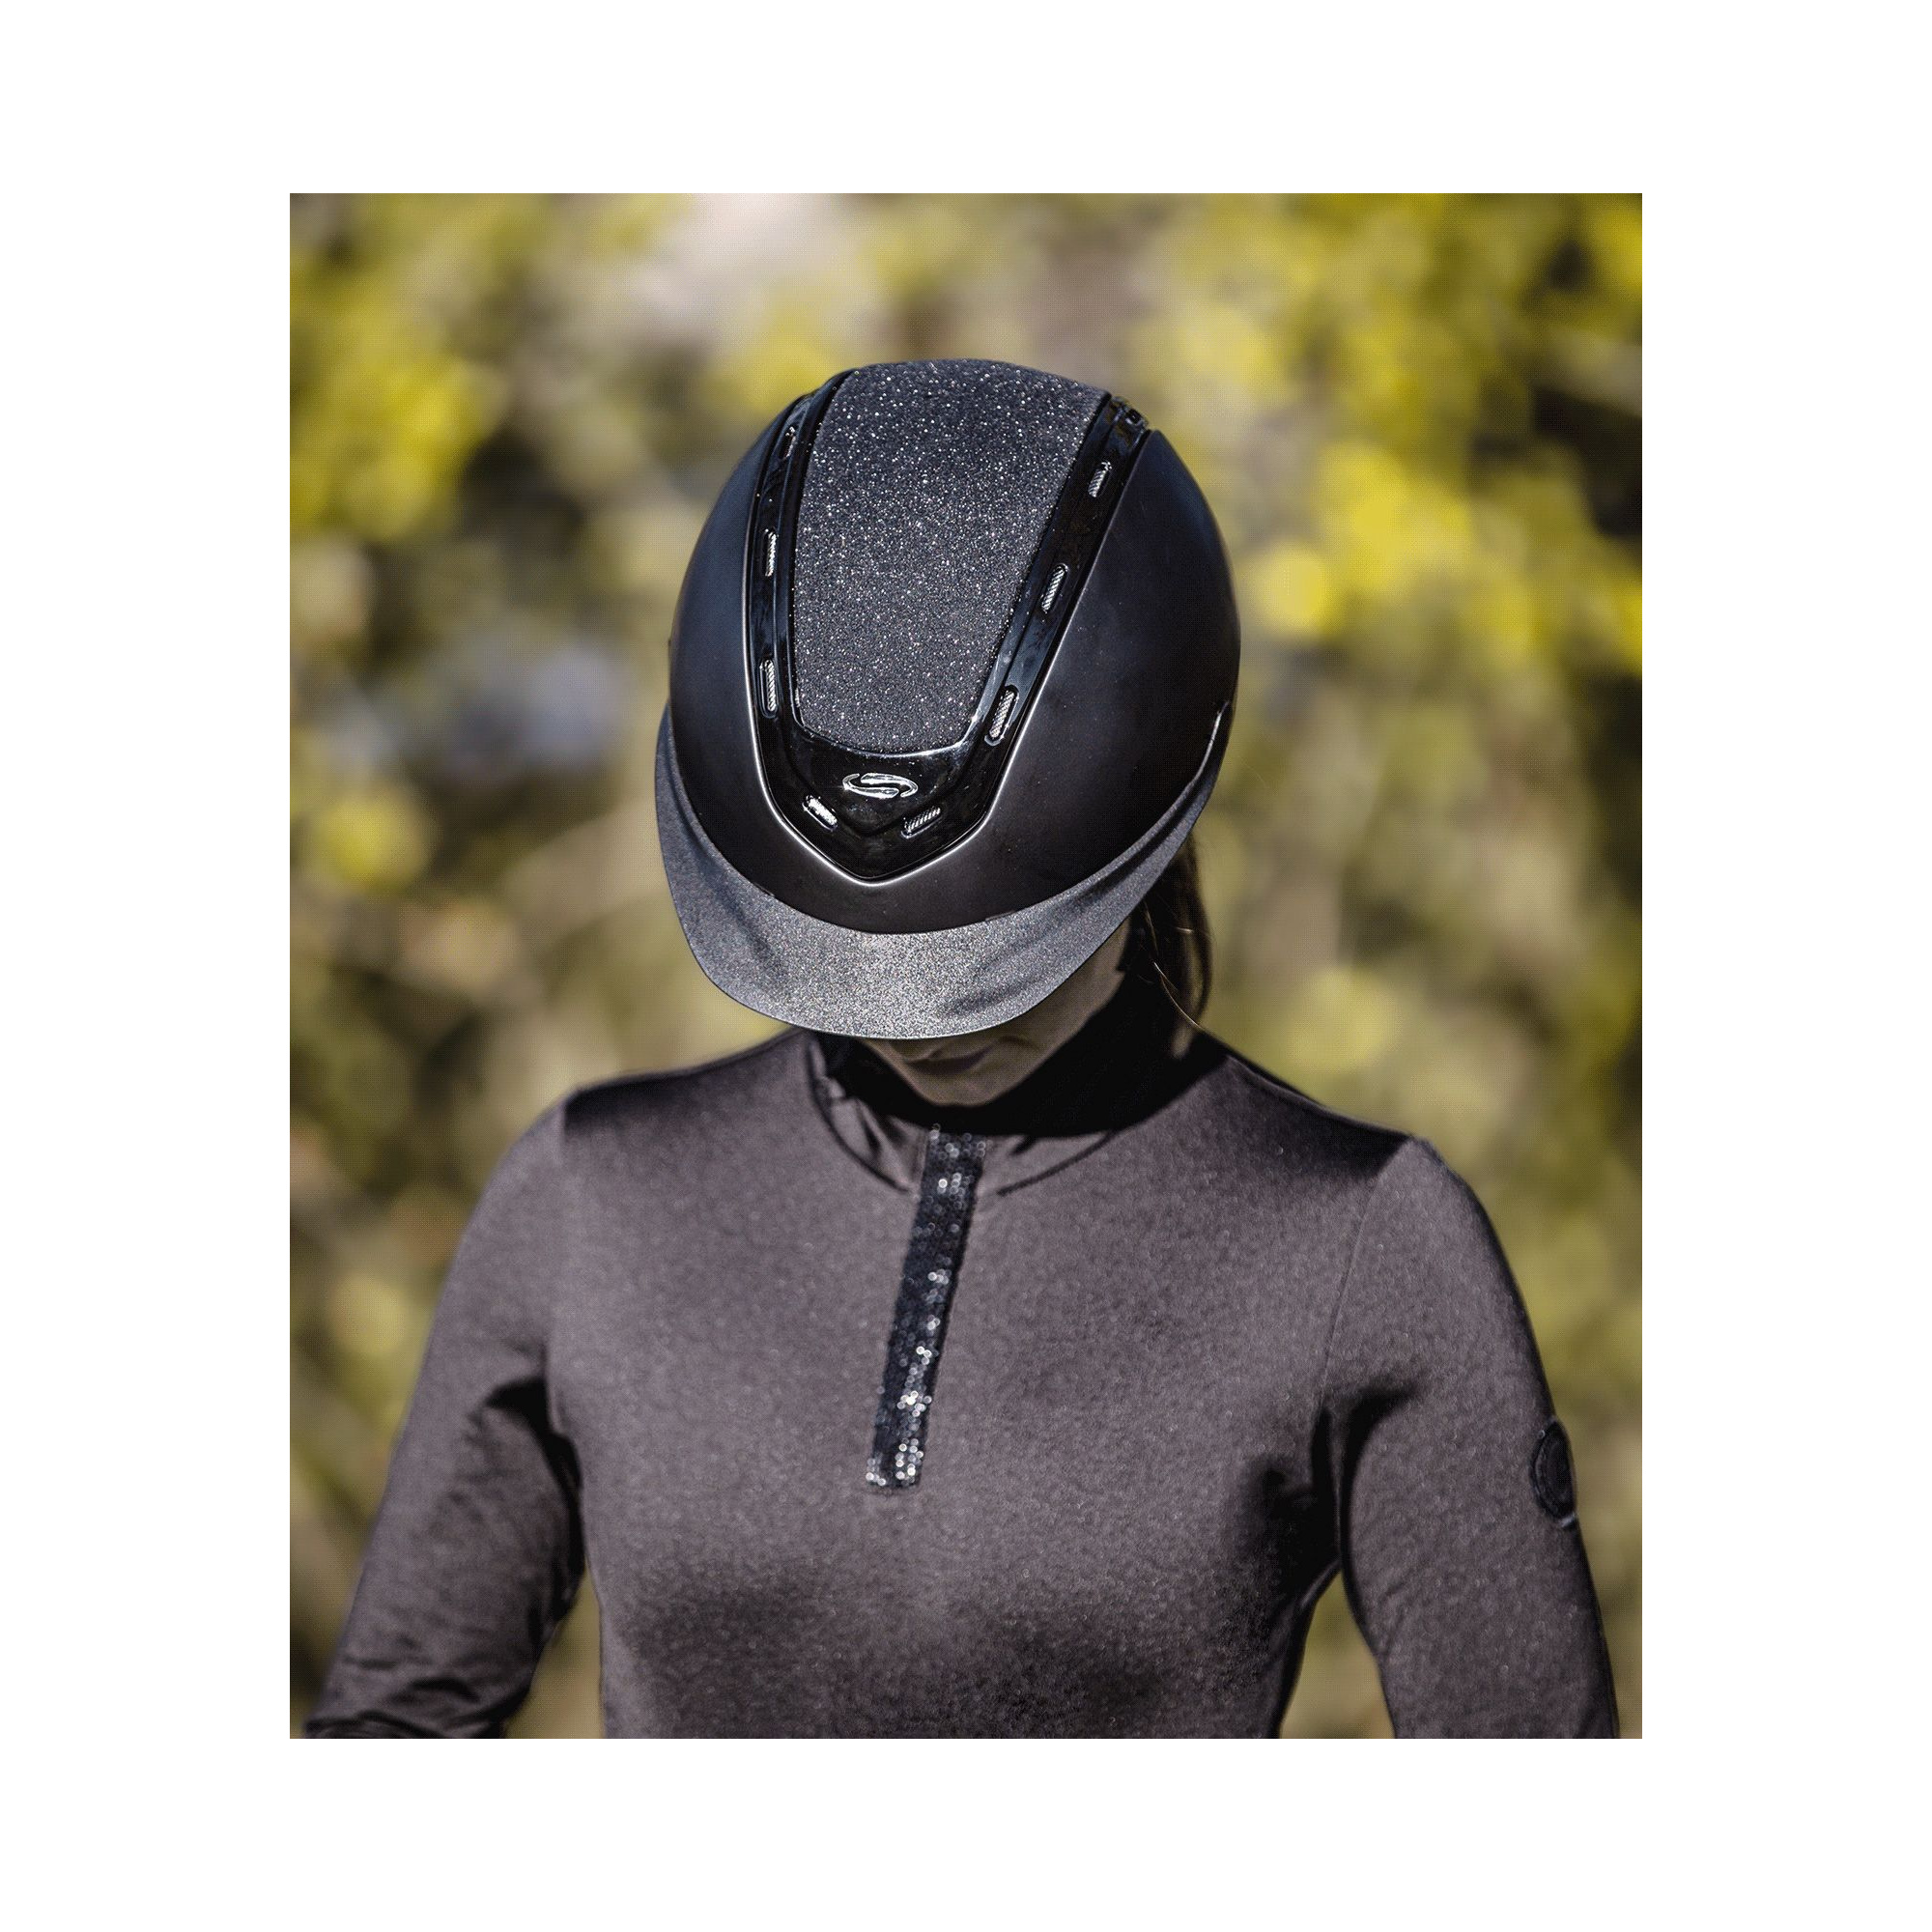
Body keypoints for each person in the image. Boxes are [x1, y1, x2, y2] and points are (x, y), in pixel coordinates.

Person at [305, 357, 1617, 1739]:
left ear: (1151, 806)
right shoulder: (594, 1197)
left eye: (994, 972)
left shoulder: (1360, 1242)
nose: (920, 1030)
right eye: (859, 974)